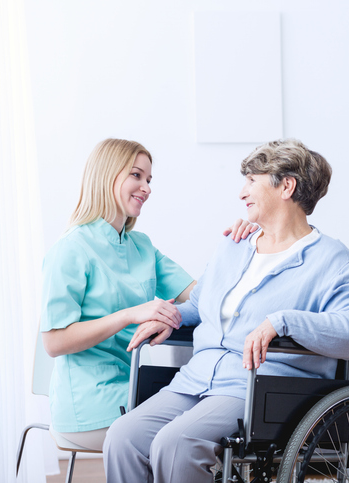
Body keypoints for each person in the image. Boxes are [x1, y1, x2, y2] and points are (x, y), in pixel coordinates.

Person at [104, 138, 349, 482]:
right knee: (123, 438)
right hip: (196, 378)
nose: (242, 192)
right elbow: (203, 305)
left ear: (286, 187)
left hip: (259, 388)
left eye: (252, 181)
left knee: (175, 444)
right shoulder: (234, 247)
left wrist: (283, 322)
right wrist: (167, 317)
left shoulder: (331, 259)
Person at [40, 138, 254, 452]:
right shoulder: (71, 249)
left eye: (149, 179)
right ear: (107, 175)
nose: (147, 187)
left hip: (135, 385)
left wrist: (243, 243)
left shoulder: (140, 246)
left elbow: (204, 295)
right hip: (89, 402)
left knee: (209, 418)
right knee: (193, 435)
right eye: (136, 175)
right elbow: (54, 342)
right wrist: (130, 314)